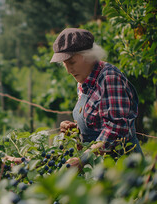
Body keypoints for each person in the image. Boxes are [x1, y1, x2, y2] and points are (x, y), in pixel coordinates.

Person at [50, 28, 143, 166]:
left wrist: (83, 160)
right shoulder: (83, 82)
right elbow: (97, 122)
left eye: (72, 62)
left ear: (88, 56)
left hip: (122, 166)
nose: (68, 70)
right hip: (99, 164)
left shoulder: (109, 78)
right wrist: (76, 130)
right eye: (65, 64)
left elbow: (115, 129)